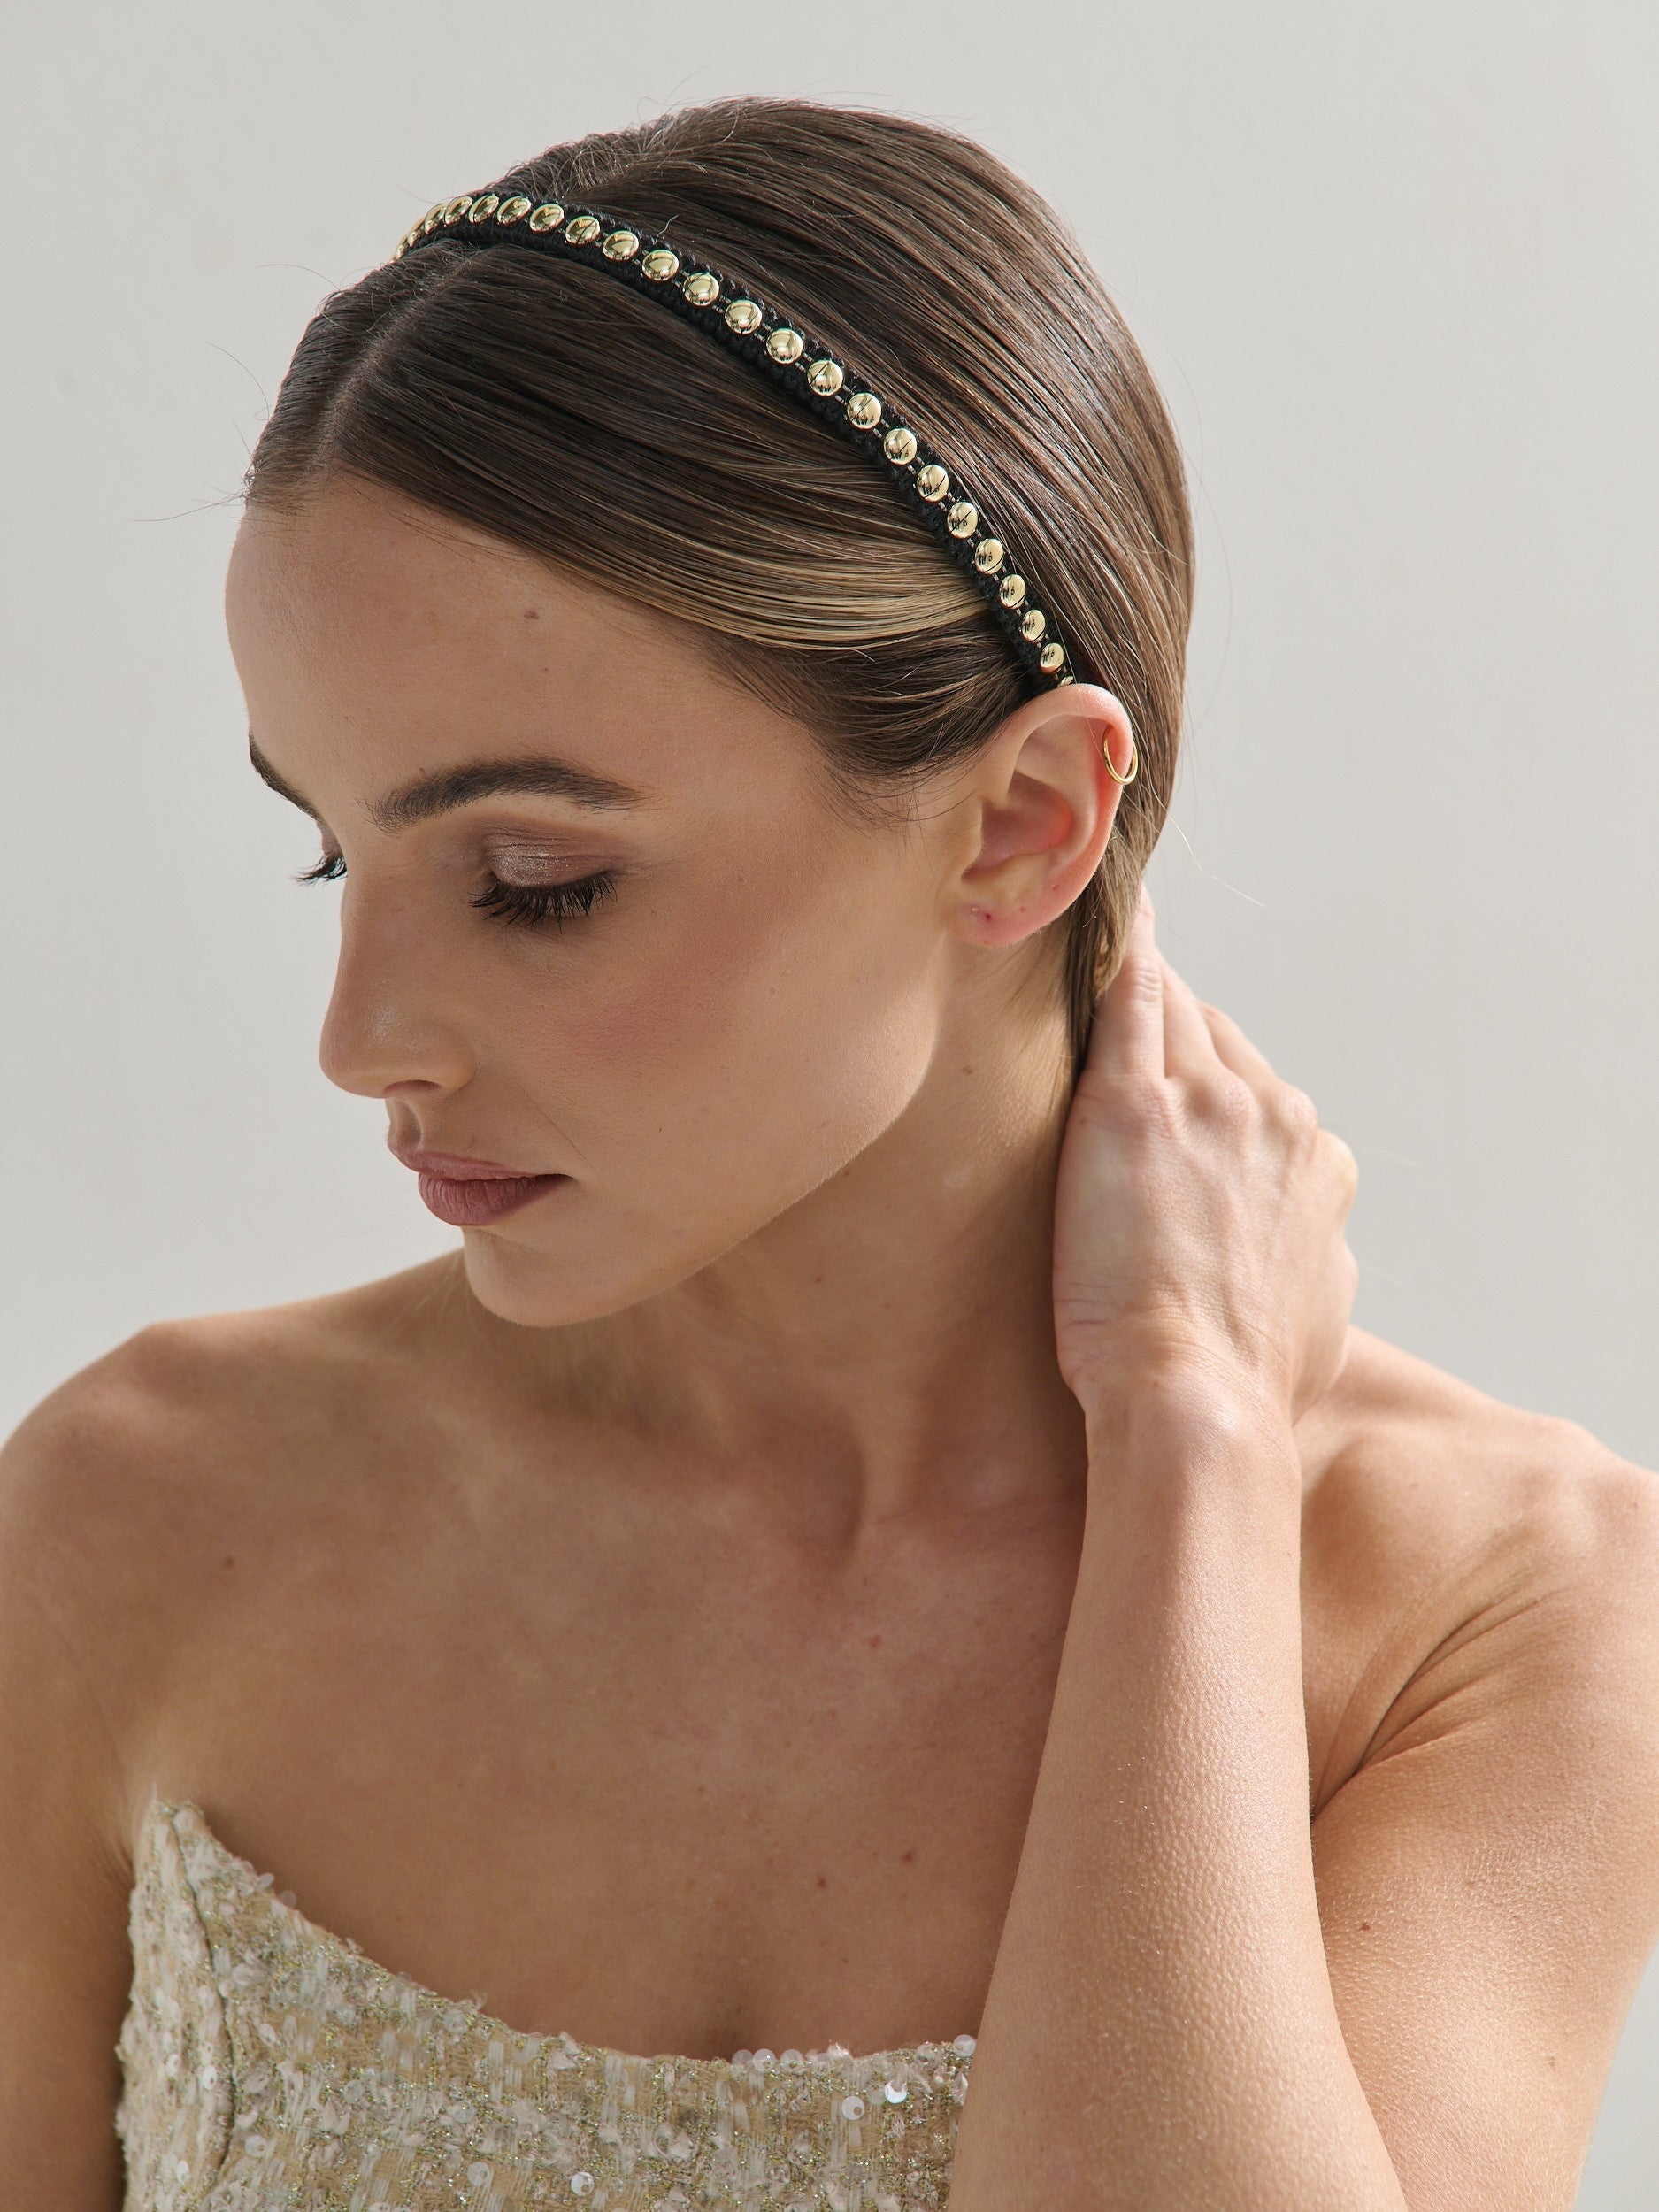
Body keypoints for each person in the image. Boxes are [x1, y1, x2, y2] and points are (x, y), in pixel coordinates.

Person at [3, 93, 1655, 2212]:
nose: (356, 1042)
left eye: (528, 879)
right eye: (329, 847)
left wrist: (1189, 1449)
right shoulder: (146, 1514)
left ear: (1019, 821)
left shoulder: (1489, 1611)